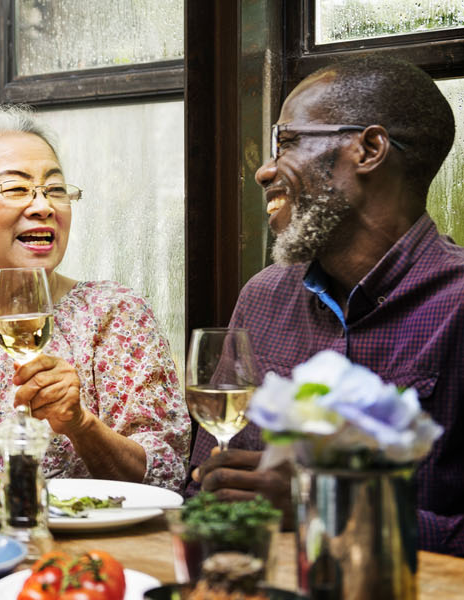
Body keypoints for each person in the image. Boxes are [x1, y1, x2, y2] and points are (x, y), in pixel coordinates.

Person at [188, 56, 462, 557]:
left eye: (288, 142)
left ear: (369, 149)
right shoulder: (264, 297)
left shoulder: (457, 306)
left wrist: (325, 505)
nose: (264, 170)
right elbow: (203, 491)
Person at [0, 103, 191, 490]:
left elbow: (166, 476)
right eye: (15, 188)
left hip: (76, 551)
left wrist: (82, 425)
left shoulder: (113, 316)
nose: (44, 206)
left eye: (55, 189)